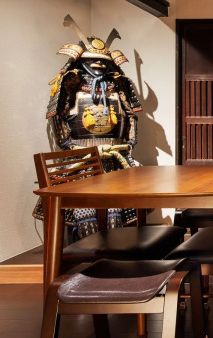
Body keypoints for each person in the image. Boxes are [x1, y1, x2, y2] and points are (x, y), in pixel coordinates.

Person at [34, 15, 143, 241]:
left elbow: (131, 116)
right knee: (84, 209)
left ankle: (116, 248)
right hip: (81, 159)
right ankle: (88, 251)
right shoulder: (70, 84)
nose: (99, 64)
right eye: (94, 60)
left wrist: (128, 144)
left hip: (115, 156)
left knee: (117, 207)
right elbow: (59, 118)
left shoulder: (119, 84)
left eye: (103, 61)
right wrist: (70, 146)